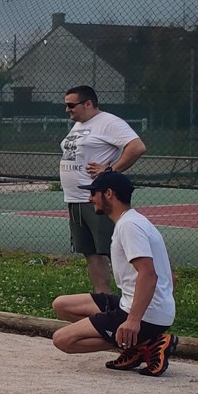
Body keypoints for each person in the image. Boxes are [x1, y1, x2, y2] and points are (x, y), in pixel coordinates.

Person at [50, 171, 177, 377]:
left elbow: (149, 274)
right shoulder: (133, 221)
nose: (90, 198)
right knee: (62, 305)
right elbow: (170, 277)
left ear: (108, 193)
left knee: (63, 340)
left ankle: (147, 341)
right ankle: (139, 345)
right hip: (137, 304)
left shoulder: (129, 226)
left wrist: (134, 320)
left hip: (144, 314)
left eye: (93, 192)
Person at [60, 85, 146, 295]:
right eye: (66, 106)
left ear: (88, 103)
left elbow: (137, 147)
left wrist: (109, 171)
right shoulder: (79, 125)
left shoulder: (109, 122)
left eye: (71, 105)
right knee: (90, 252)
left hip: (98, 200)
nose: (67, 110)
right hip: (75, 199)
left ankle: (144, 293)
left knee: (118, 250)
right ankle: (103, 299)